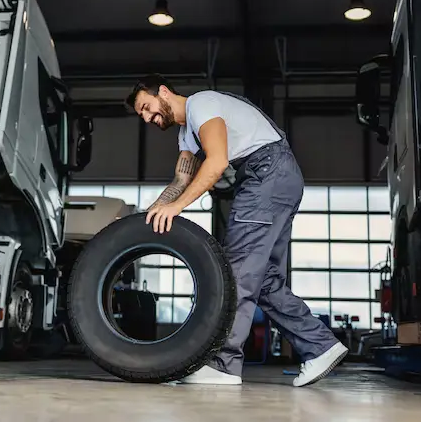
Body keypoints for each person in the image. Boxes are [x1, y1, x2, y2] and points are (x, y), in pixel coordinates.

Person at [125, 74, 348, 387]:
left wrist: (177, 208)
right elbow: (180, 181)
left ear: (163, 92)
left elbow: (216, 163)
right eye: (142, 115)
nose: (148, 117)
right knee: (264, 278)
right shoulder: (186, 134)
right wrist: (150, 214)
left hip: (266, 172)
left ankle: (222, 365)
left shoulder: (201, 104)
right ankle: (320, 346)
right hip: (276, 177)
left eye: (147, 107)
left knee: (236, 272)